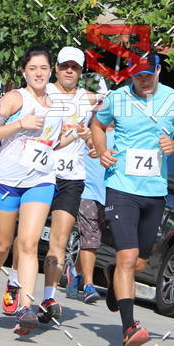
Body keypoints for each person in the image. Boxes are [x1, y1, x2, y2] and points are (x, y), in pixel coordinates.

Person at [91, 50, 174, 346]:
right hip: (121, 187)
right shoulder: (116, 98)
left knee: (139, 261)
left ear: (159, 70)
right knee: (128, 257)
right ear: (130, 74)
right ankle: (129, 328)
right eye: (138, 74)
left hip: (154, 192)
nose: (144, 80)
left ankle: (115, 275)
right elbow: (97, 125)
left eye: (149, 74)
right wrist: (102, 150)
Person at [0, 46, 73, 335]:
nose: (39, 73)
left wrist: (73, 137)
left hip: (41, 180)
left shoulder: (57, 103)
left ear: (50, 70)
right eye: (33, 68)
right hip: (6, 180)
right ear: (24, 72)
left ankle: (25, 309)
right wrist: (19, 123)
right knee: (2, 245)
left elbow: (49, 145)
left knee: (28, 243)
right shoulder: (15, 98)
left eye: (43, 68)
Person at [36, 47, 98, 324]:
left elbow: (96, 145)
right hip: (39, 173)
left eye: (74, 67)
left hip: (72, 177)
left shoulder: (89, 100)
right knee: (28, 238)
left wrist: (90, 140)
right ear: (56, 68)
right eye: (64, 66)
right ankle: (16, 283)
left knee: (58, 241)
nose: (69, 71)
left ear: (81, 71)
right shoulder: (44, 92)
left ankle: (48, 297)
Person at [66, 123, 115, 303]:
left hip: (109, 195)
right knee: (91, 238)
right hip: (87, 192)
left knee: (93, 241)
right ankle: (88, 285)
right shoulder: (88, 131)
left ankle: (74, 272)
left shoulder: (123, 134)